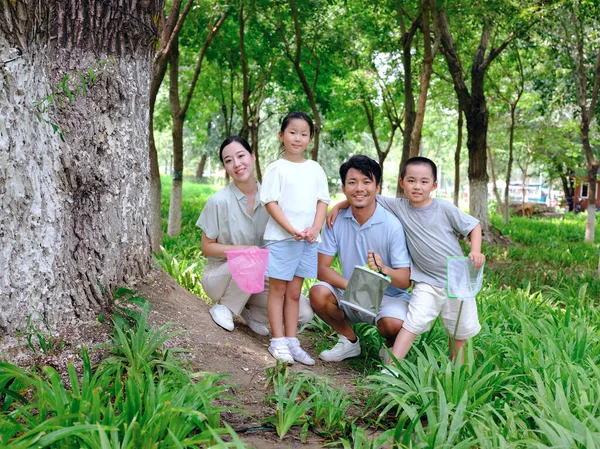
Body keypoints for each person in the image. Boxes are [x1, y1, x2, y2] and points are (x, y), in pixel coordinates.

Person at [329, 156, 485, 366]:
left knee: (458, 330)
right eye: (411, 181)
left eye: (424, 182)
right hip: (426, 281)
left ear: (434, 185)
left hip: (457, 279)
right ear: (401, 183)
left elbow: (474, 226)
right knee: (411, 324)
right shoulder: (398, 206)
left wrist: (476, 251)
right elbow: (364, 195)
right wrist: (338, 206)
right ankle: (391, 368)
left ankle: (457, 373)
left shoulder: (444, 208)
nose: (417, 187)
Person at [197, 136, 314, 336]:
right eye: (228, 160)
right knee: (254, 259)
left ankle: (249, 312)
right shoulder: (218, 201)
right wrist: (244, 251)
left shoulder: (273, 201)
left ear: (252, 157)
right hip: (220, 276)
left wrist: (338, 207)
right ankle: (225, 307)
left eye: (241, 156)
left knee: (304, 311)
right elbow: (207, 247)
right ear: (225, 167)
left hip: (255, 278)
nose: (237, 164)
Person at [310, 155, 411, 363]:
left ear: (378, 187)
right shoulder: (335, 220)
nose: (359, 188)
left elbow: (404, 280)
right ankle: (349, 341)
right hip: (349, 292)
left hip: (388, 296)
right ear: (344, 187)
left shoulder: (392, 225)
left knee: (392, 324)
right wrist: (354, 287)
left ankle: (391, 348)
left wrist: (383, 268)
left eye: (366, 182)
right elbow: (322, 268)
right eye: (352, 182)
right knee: (318, 293)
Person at [260, 112, 330, 365]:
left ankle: (292, 341)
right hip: (282, 239)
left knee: (294, 293)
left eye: (304, 134)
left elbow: (323, 200)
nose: (298, 138)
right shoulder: (276, 168)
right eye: (292, 132)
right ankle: (277, 341)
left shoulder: (315, 169)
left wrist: (315, 227)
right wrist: (290, 229)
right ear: (281, 136)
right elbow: (270, 202)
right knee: (277, 291)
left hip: (308, 240)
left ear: (310, 139)